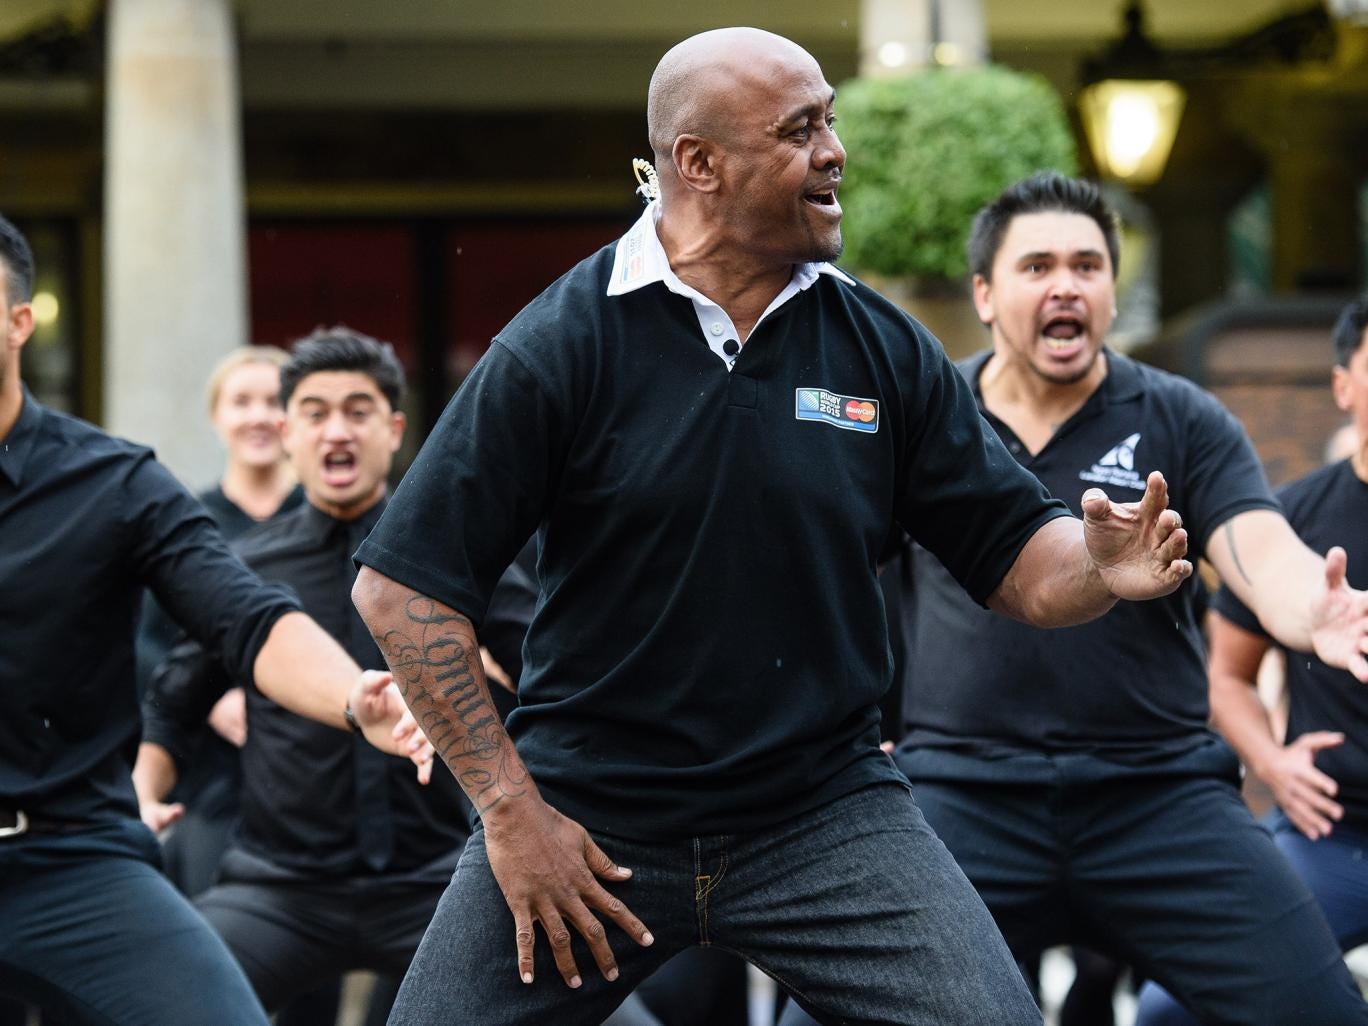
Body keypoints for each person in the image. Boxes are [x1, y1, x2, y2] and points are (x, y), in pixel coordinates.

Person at [351, 29, 1196, 1026]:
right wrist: (509, 813)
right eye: (800, 130)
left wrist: (1099, 566)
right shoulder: (560, 345)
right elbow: (402, 590)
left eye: (830, 120)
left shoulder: (878, 346)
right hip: (590, 813)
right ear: (697, 164)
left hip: (825, 814)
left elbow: (1021, 561)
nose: (835, 150)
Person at [871, 173, 1368, 1026]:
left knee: (1319, 1011)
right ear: (987, 295)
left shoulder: (1182, 416)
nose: (1066, 284)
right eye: (1037, 267)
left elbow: (1256, 544)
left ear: (1109, 289)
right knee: (829, 1012)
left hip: (1159, 793)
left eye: (1088, 265)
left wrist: (1309, 610)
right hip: (963, 794)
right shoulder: (927, 415)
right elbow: (848, 579)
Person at [0, 214, 426, 1025]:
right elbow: (179, 688)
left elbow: (248, 620)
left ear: (21, 320)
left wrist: (355, 699)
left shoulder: (113, 484)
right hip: (268, 877)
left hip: (71, 860)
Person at [134, 329, 495, 1019]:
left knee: (593, 1001)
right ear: (288, 431)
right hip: (276, 889)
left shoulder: (455, 555)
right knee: (156, 998)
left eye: (358, 412)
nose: (338, 431)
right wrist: (145, 797)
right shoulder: (240, 568)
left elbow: (540, 672)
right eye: (316, 412)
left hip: (438, 884)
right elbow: (175, 701)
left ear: (394, 430)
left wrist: (482, 669)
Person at [1133, 297, 1368, 1022]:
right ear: (1342, 385)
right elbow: (1225, 677)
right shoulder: (1291, 518)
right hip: (1336, 834)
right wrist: (1272, 763)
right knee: (1170, 1006)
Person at [136, 345, 303, 899]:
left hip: (314, 780)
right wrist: (209, 699)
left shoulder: (326, 517)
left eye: (273, 400)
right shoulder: (185, 520)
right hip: (211, 781)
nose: (258, 416)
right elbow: (145, 641)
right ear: (217, 417)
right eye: (241, 401)